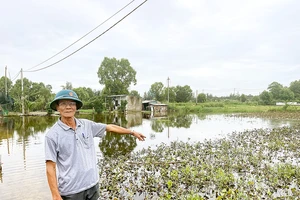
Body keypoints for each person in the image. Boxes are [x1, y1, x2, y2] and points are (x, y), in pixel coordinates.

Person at [45, 89, 146, 200]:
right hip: (71, 191)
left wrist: (132, 132)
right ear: (57, 107)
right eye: (63, 104)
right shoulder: (52, 135)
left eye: (72, 103)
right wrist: (55, 195)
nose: (68, 107)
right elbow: (50, 166)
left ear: (76, 107)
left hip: (92, 185)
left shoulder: (87, 125)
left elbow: (110, 127)